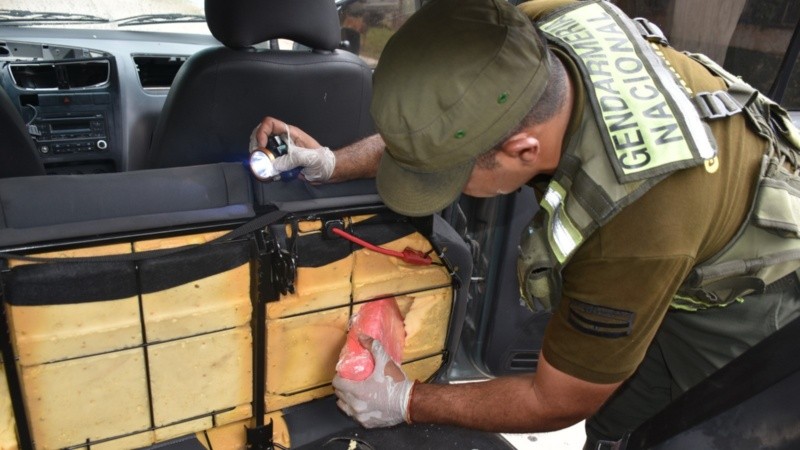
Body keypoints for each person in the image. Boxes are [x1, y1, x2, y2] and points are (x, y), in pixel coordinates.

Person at [249, 0, 800, 447]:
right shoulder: (523, 34)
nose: (443, 191)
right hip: (683, 235)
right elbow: (442, 127)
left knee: (692, 433)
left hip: (748, 304)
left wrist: (406, 401)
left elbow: (558, 400)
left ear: (523, 150)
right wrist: (330, 163)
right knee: (618, 427)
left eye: (450, 179)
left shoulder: (633, 229)